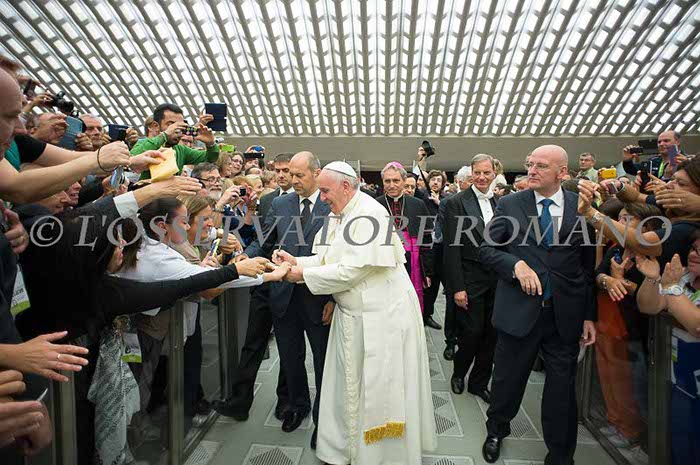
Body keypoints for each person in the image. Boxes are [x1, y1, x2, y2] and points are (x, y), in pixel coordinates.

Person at [274, 161, 436, 465]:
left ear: (346, 186)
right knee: (350, 388)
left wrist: (300, 275)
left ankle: (382, 457)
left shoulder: (371, 215)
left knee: (379, 391)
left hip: (383, 318)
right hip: (353, 316)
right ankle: (347, 449)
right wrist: (295, 261)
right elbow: (326, 258)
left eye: (325, 191)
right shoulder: (337, 214)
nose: (322, 198)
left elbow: (352, 271)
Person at [477, 145, 597, 464]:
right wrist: (515, 265)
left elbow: (586, 268)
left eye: (541, 166)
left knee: (562, 390)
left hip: (565, 315)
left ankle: (561, 454)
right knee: (507, 380)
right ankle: (496, 430)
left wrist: (589, 315)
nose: (531, 170)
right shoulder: (510, 204)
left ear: (562, 173)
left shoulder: (582, 207)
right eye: (530, 164)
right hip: (519, 310)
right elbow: (486, 250)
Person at [244, 152, 332, 444]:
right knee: (291, 358)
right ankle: (297, 405)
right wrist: (245, 256)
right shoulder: (281, 203)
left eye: (299, 175)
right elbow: (264, 239)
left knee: (323, 361)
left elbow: (340, 257)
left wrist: (335, 299)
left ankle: (324, 418)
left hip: (320, 297)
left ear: (316, 173)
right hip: (283, 296)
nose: (292, 180)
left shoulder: (332, 203)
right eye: (290, 175)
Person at [444, 154, 498, 403]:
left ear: (494, 173)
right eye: (477, 172)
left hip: (496, 279)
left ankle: (479, 382)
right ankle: (459, 373)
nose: (482, 177)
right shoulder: (456, 202)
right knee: (472, 332)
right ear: (471, 174)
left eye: (487, 173)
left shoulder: (501, 202)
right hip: (469, 278)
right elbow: (451, 248)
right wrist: (457, 287)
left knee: (492, 334)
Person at [375, 162, 433, 314]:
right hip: (385, 264)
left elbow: (426, 241)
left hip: (413, 264)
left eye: (396, 180)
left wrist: (427, 272)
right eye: (387, 181)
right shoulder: (375, 205)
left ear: (403, 181)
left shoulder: (418, 205)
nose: (392, 185)